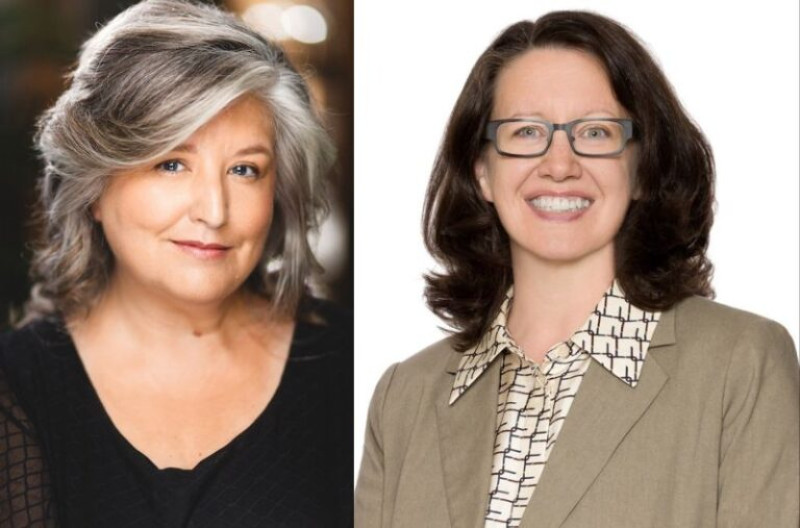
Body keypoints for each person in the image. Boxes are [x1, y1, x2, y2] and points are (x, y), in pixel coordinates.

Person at [355, 10, 799, 528]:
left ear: (640, 167)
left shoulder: (739, 366)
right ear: (482, 173)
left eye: (595, 131)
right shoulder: (405, 397)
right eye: (525, 132)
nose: (560, 164)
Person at [0, 0, 352, 526]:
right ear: (94, 185)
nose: (214, 212)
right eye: (171, 164)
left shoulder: (354, 368)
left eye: (245, 169)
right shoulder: (18, 390)